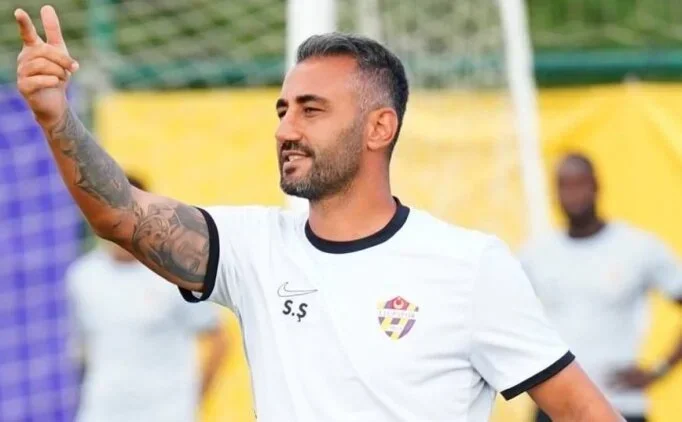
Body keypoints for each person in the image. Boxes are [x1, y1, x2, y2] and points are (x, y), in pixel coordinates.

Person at [13, 6, 623, 421]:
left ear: (379, 127)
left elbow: (585, 412)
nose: (286, 129)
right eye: (282, 110)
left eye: (311, 109)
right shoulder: (254, 248)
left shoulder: (470, 265)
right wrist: (56, 116)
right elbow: (120, 216)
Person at [520, 153, 682, 422]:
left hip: (619, 405)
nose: (573, 194)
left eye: (580, 183)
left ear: (596, 186)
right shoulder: (536, 254)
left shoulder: (637, 247)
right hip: (555, 408)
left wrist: (659, 370)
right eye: (564, 185)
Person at [66, 174, 227, 422]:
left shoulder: (174, 272)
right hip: (101, 414)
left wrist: (190, 402)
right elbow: (84, 350)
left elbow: (219, 341)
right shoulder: (82, 277)